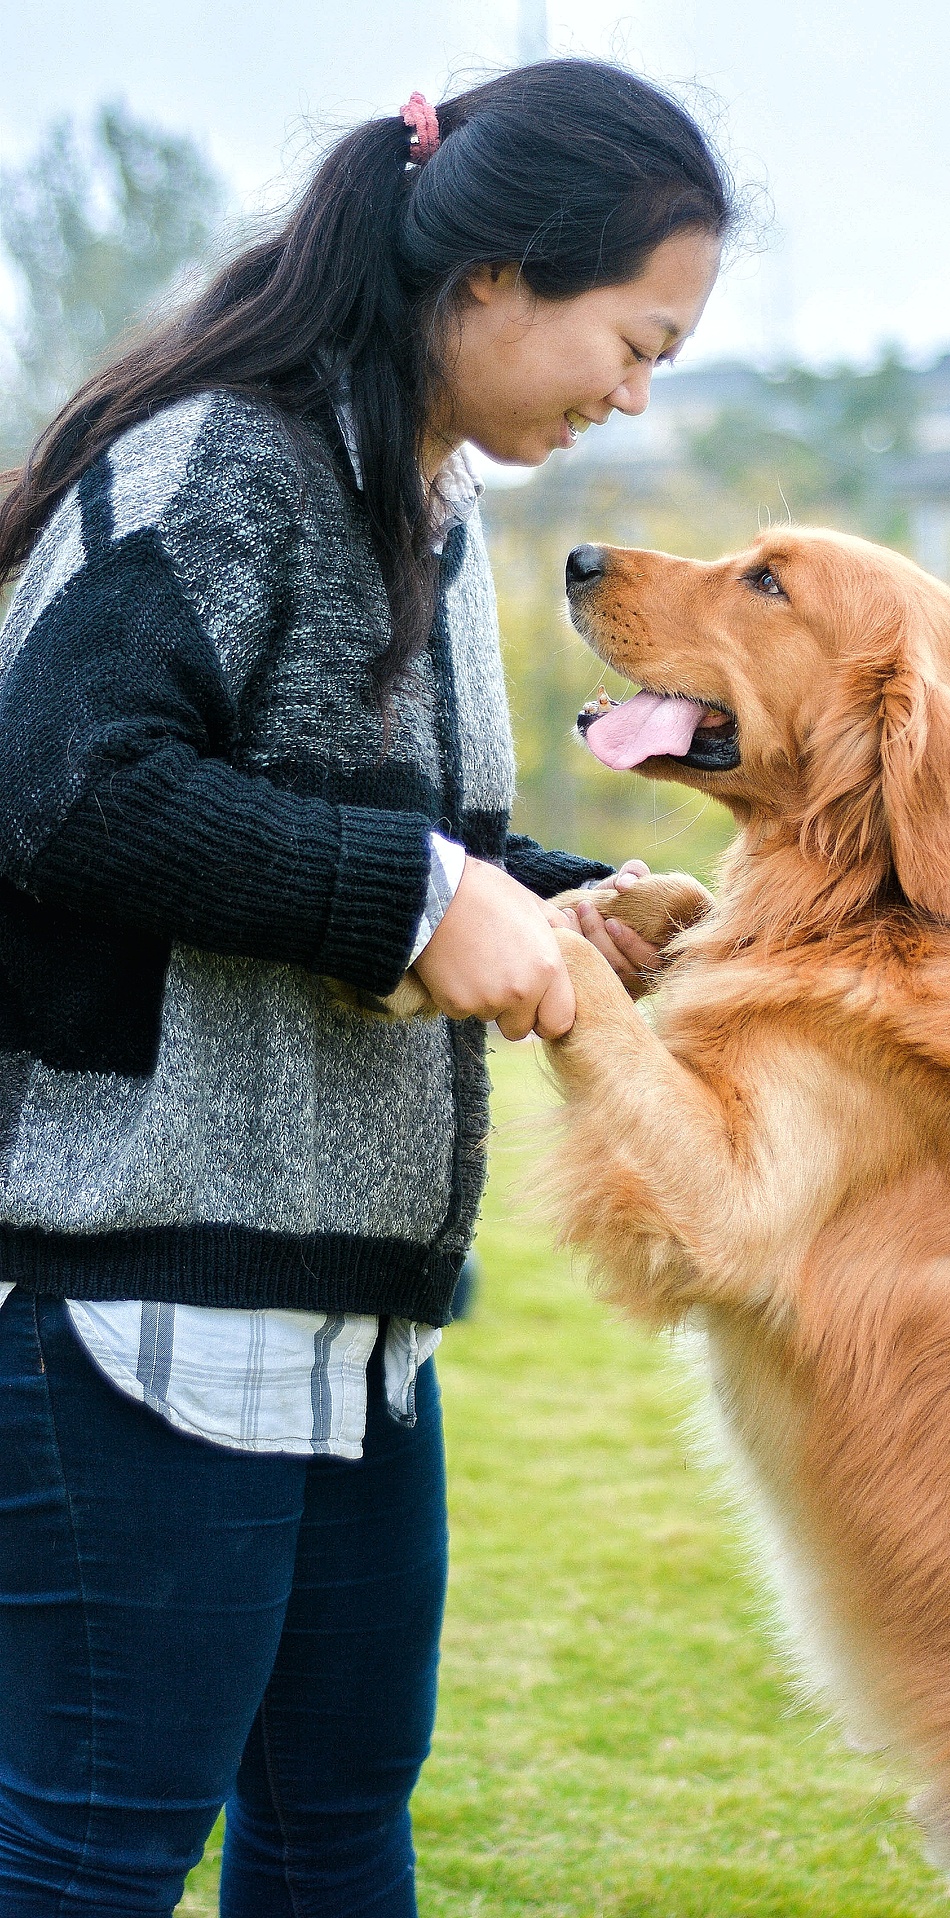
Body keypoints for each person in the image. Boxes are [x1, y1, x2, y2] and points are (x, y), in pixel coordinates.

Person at [0, 60, 731, 1916]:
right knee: (95, 1846)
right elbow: (67, 784)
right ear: (493, 274)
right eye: (633, 338)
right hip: (135, 1308)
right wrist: (416, 905)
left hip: (354, 1338)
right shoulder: (218, 456)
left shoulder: (422, 499)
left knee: (338, 1832)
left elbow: (381, 833)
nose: (638, 393)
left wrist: (568, 904)